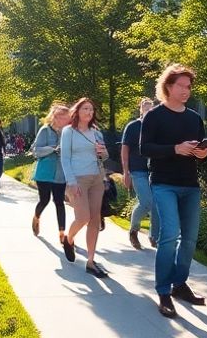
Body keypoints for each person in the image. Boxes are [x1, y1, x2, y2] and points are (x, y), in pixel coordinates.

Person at [141, 64, 207, 319]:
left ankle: (179, 284)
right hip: (163, 183)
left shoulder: (194, 118)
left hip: (190, 185)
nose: (186, 90)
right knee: (170, 235)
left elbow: (206, 153)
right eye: (181, 85)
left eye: (189, 86)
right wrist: (174, 149)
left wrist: (204, 153)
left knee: (190, 239)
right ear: (168, 87)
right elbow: (145, 148)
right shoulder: (154, 116)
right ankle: (163, 292)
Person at [60, 98, 109, 277]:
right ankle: (69, 238)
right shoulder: (68, 132)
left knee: (95, 219)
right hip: (78, 179)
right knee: (83, 217)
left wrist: (102, 152)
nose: (89, 112)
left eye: (91, 109)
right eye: (85, 108)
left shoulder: (96, 133)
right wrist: (71, 182)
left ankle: (90, 261)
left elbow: (104, 157)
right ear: (77, 111)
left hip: (97, 178)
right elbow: (65, 158)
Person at [121, 97, 159, 251]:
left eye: (151, 109)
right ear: (141, 110)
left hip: (155, 171)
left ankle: (153, 235)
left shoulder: (157, 127)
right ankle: (134, 230)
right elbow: (125, 149)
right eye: (146, 108)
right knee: (147, 202)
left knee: (156, 204)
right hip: (137, 170)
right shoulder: (133, 126)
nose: (149, 111)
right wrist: (125, 172)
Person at [30, 103, 69, 240]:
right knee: (44, 200)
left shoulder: (68, 132)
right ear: (54, 117)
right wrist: (52, 148)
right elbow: (36, 151)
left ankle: (62, 233)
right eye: (63, 117)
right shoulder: (45, 130)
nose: (66, 120)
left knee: (59, 202)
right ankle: (36, 217)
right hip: (45, 173)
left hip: (60, 173)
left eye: (67, 118)